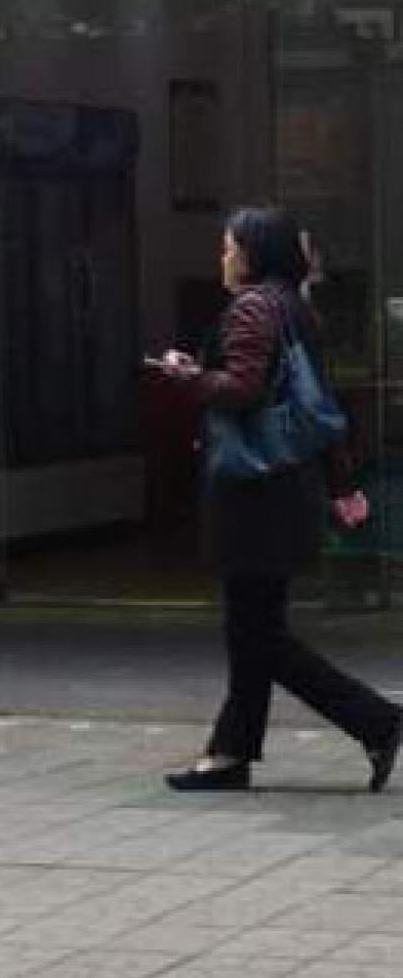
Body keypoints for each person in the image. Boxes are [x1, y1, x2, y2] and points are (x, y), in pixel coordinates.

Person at [151, 205, 402, 794]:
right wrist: (340, 483)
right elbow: (320, 408)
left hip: (253, 492)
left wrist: (187, 376)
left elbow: (243, 389)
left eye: (228, 246)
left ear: (252, 254)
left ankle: (376, 719)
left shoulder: (252, 309)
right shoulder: (295, 309)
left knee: (257, 636)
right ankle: (230, 755)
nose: (221, 257)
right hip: (285, 487)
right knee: (254, 627)